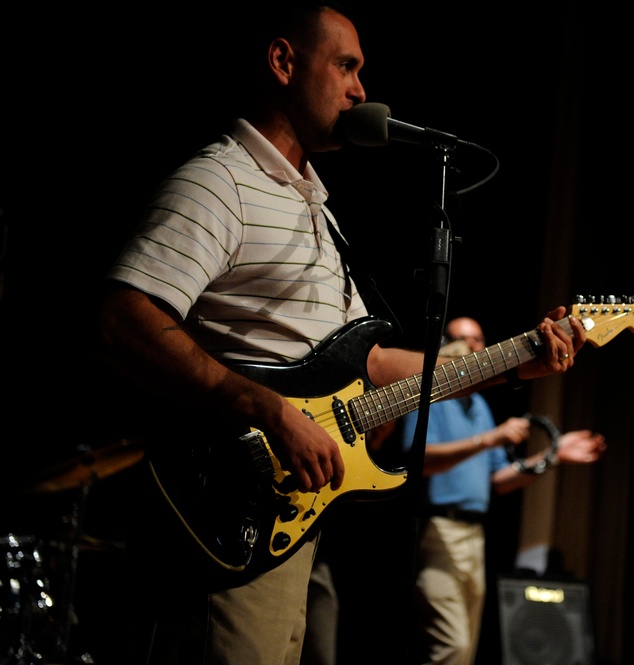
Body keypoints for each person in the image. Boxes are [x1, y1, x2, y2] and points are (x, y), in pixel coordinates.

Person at [92, 4, 588, 664]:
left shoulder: (314, 209)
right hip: (225, 512)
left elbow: (373, 361)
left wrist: (515, 362)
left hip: (287, 523)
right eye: (346, 66)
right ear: (282, 62)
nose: (360, 91)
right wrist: (266, 408)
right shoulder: (221, 182)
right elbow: (123, 321)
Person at [398, 316, 607, 665]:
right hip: (438, 532)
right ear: (445, 344)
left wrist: (553, 454)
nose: (475, 348)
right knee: (452, 646)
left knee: (465, 651)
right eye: (465, 340)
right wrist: (490, 439)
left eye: (480, 340)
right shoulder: (432, 396)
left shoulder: (478, 405)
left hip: (473, 537)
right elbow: (419, 461)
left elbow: (499, 479)